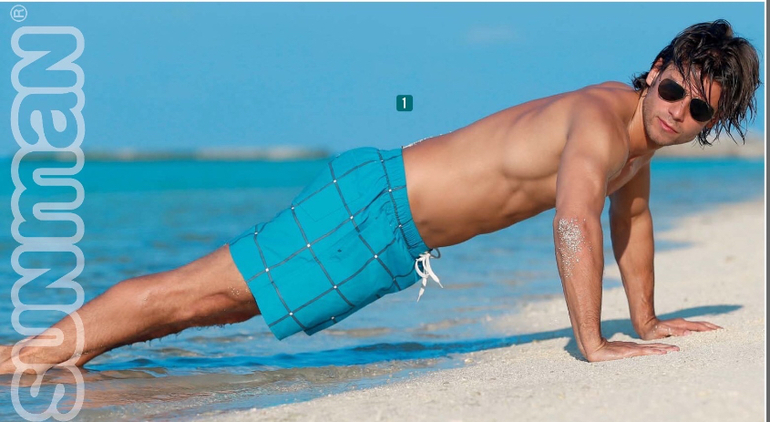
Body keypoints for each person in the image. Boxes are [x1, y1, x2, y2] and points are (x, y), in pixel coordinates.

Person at [1, 19, 760, 374]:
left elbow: (633, 219)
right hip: (375, 204)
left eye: (699, 109)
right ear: (654, 70)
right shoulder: (600, 120)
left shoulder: (635, 145)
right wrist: (592, 343)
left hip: (397, 235)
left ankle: (67, 355)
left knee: (225, 305)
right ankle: (22, 357)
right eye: (673, 90)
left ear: (710, 124)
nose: (677, 111)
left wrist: (647, 321)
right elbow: (575, 220)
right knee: (195, 290)